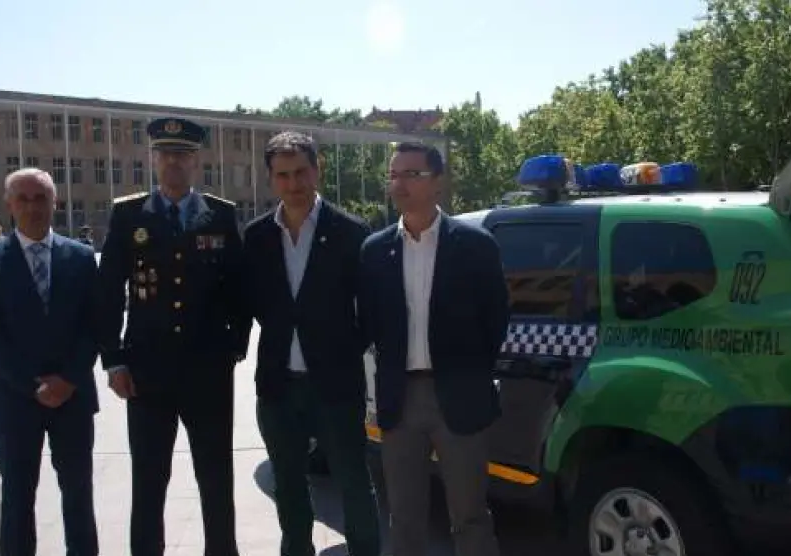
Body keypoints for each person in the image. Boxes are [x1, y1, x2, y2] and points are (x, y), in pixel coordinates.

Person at [96, 117, 248, 556]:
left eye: (182, 154)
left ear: (196, 161)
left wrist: (233, 348)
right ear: (153, 160)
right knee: (148, 478)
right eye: (165, 154)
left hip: (207, 371)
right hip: (147, 373)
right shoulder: (129, 216)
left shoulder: (220, 215)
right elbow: (108, 293)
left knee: (216, 476)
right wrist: (114, 359)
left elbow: (240, 288)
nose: (173, 162)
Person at [357, 142, 510, 556]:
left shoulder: (475, 245)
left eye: (411, 174)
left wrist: (470, 374)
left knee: (470, 516)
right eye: (393, 175)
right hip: (400, 401)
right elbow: (368, 322)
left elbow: (496, 319)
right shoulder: (375, 251)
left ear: (437, 182)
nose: (398, 184)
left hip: (458, 397)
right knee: (404, 517)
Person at [241, 131, 380, 556]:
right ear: (271, 180)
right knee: (288, 485)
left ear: (317, 171)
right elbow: (250, 303)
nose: (294, 183)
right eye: (283, 175)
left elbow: (370, 312)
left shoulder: (351, 232)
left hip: (336, 386)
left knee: (353, 481)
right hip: (278, 387)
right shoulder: (256, 237)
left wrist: (340, 350)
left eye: (301, 172)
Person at [0, 167, 100, 556]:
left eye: (40, 198)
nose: (32, 207)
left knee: (78, 494)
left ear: (54, 202)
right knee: (17, 497)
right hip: (14, 400)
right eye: (23, 199)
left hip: (72, 397)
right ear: (9, 205)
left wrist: (69, 379)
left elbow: (95, 325)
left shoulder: (80, 258)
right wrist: (34, 384)